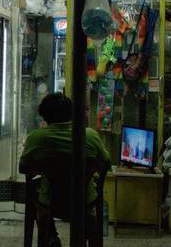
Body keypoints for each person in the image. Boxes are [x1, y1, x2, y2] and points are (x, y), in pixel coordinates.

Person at [19, 93, 110, 247]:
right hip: (84, 201)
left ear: (44, 116)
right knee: (89, 200)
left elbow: (23, 168)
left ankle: (50, 236)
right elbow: (106, 163)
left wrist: (43, 167)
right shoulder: (90, 135)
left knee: (37, 192)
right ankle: (88, 228)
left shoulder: (36, 138)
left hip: (51, 202)